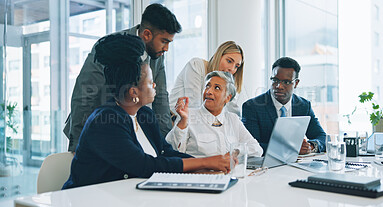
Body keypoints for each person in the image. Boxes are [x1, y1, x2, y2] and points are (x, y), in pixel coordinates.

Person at [62, 34, 231, 190]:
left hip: (129, 199)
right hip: (87, 201)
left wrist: (206, 166)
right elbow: (145, 166)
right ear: (133, 92)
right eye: (150, 82)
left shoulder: (144, 115)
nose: (155, 85)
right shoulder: (105, 121)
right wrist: (207, 162)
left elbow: (166, 152)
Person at [64, 3, 178, 152]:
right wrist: (78, 145)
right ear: (147, 35)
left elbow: (161, 97)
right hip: (96, 128)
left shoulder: (157, 55)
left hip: (128, 129)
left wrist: (163, 145)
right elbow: (84, 94)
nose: (166, 48)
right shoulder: (110, 46)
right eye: (164, 41)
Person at [166, 71, 263, 158]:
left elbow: (257, 149)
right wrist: (183, 122)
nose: (209, 91)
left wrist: (235, 152)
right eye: (207, 86)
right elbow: (173, 151)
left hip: (227, 174)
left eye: (217, 88)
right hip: (200, 174)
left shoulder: (233, 119)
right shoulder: (188, 116)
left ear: (227, 98)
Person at [242, 57, 326, 155]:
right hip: (266, 167)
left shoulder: (304, 106)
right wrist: (290, 149)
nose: (279, 86)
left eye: (286, 82)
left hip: (298, 166)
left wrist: (311, 147)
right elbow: (251, 146)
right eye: (275, 80)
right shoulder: (252, 107)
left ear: (296, 83)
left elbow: (321, 137)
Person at [169, 41, 245, 116]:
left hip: (199, 123)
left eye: (236, 66)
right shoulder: (197, 66)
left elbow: (232, 113)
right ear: (218, 56)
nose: (232, 69)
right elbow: (194, 106)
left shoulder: (227, 83)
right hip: (172, 120)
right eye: (229, 61)